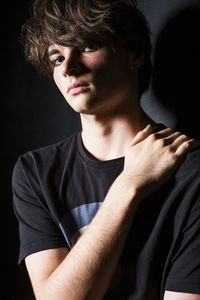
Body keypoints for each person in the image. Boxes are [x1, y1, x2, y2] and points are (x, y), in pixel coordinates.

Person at [12, 0, 200, 299]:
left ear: (134, 53)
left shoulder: (191, 171)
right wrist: (129, 184)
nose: (69, 68)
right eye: (57, 57)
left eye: (86, 47)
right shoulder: (35, 172)